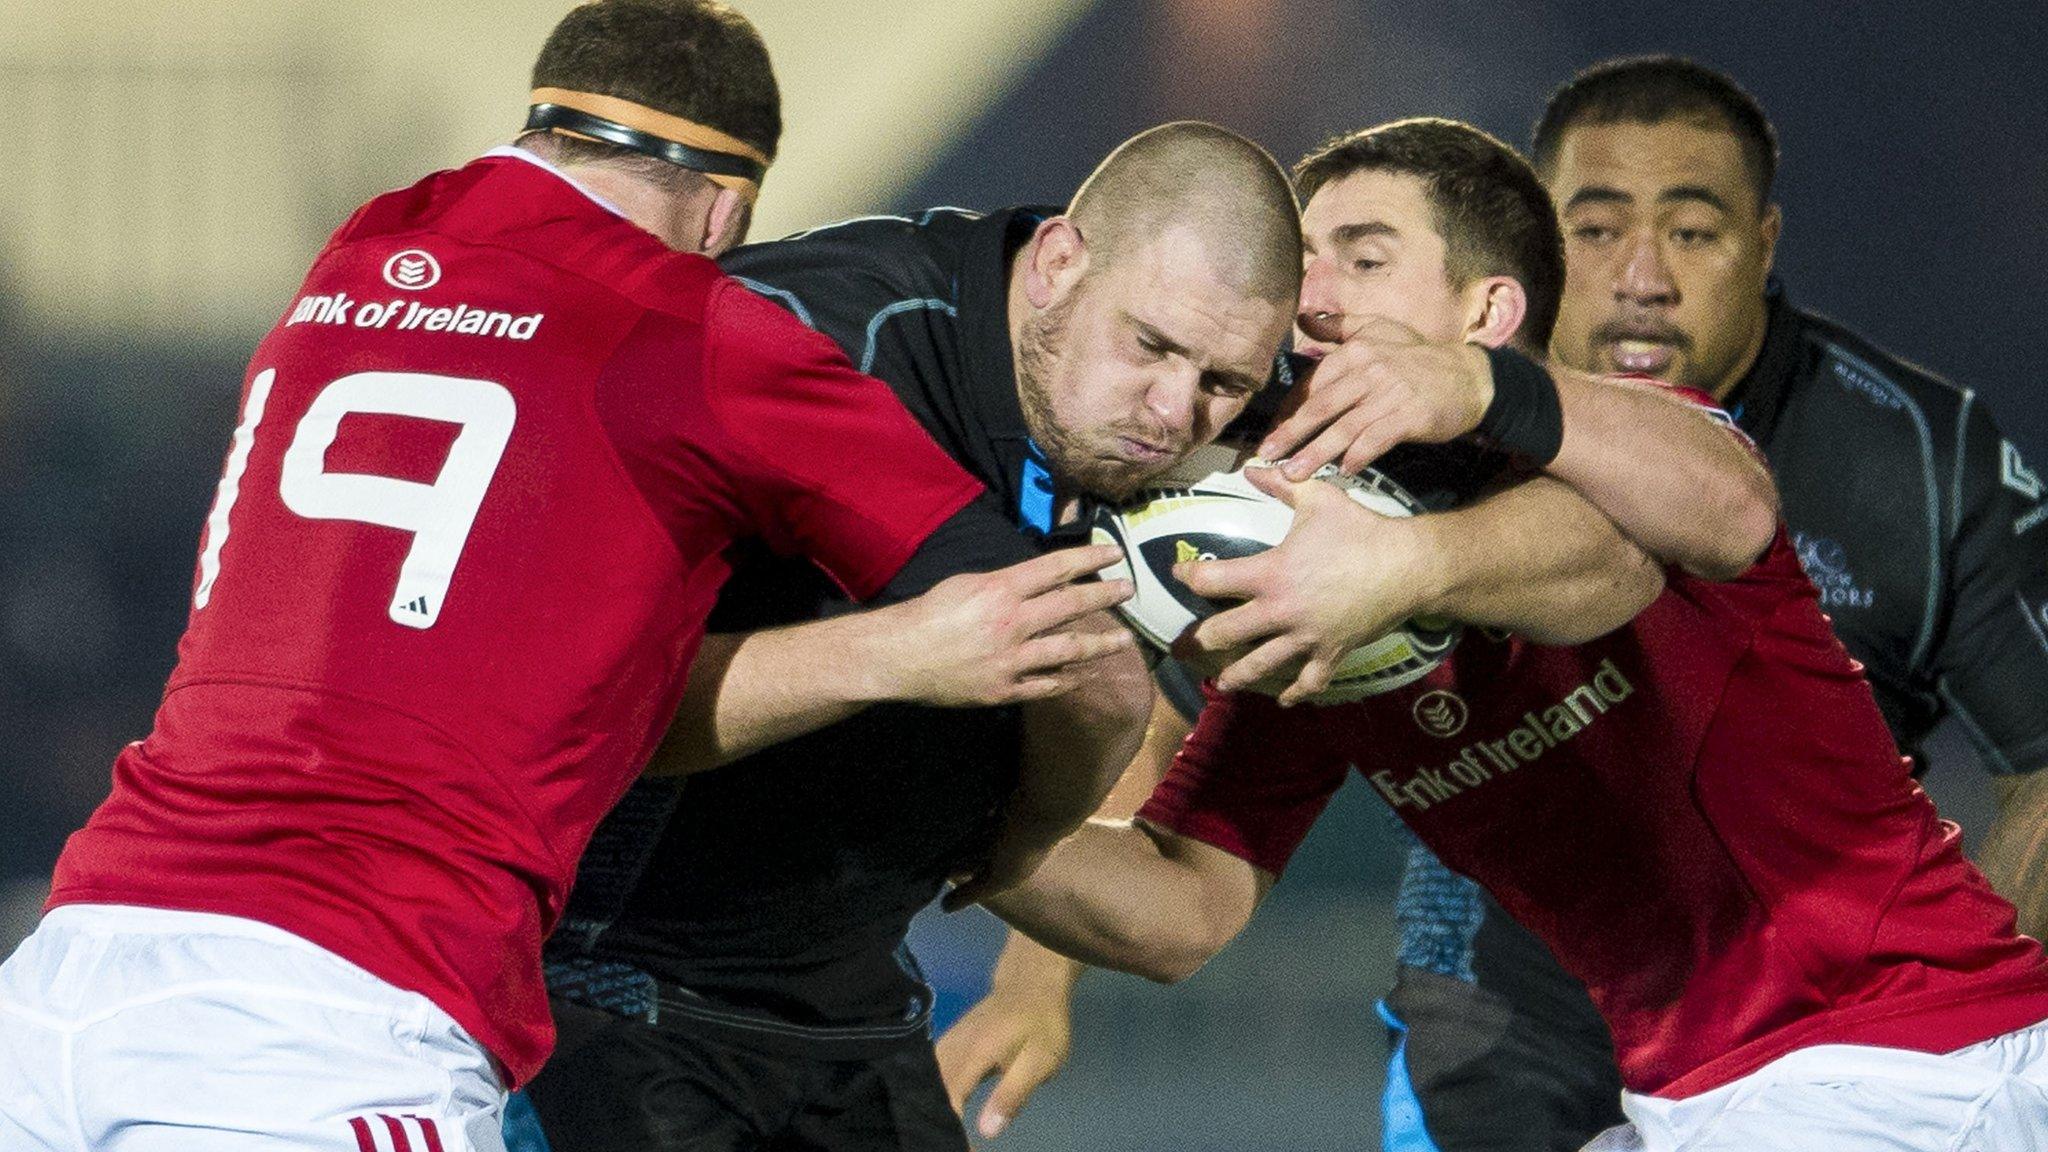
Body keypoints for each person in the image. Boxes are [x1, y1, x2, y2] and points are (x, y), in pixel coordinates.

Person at [0, 4, 1139, 1149]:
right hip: (327, 1021)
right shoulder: (703, 332)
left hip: (73, 965)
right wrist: (998, 794)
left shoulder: (359, 251)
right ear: (727, 212)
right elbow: (1060, 643)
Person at [510, 114, 1743, 1151]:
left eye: (1218, 379)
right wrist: (903, 659)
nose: (1171, 413)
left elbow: (1618, 552)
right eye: (1149, 349)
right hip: (600, 984)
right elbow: (553, 706)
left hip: (841, 1001)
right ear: (1056, 263)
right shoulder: (802, 346)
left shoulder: (1230, 405)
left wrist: (1408, 560)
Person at [972, 117, 2048, 1152]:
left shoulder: (1631, 457)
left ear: (1486, 310)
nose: (1306, 296)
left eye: (1361, 256)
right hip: (1719, 1094)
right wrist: (960, 831)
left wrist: (1464, 425)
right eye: (1296, 265)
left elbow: (1719, 513)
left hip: (1913, 1057)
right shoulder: (1320, 603)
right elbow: (1182, 909)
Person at [1372, 56, 2048, 1152]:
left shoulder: (1922, 461)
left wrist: (1969, 1035)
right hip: (1505, 1012)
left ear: (1765, 246)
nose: (1641, 276)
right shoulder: (1423, 436)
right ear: (1533, 252)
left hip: (1827, 1045)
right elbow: (1181, 693)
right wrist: (1037, 983)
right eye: (1593, 234)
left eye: (1691, 233)